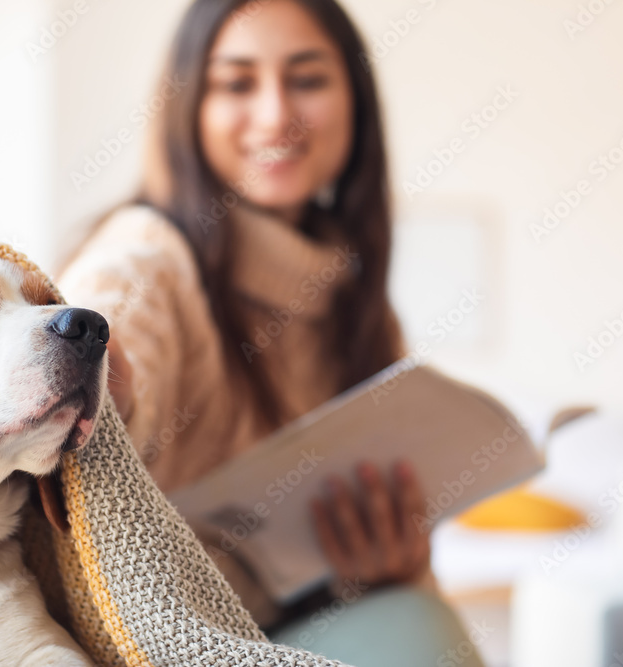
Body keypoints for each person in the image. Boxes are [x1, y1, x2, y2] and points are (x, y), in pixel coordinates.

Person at [58, 1, 484, 664]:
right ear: (189, 108)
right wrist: (105, 388)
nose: (275, 114)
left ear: (356, 105)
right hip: (156, 648)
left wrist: (393, 567)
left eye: (308, 80)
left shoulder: (360, 308)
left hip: (281, 637)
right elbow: (107, 353)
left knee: (415, 614)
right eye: (236, 83)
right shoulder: (148, 257)